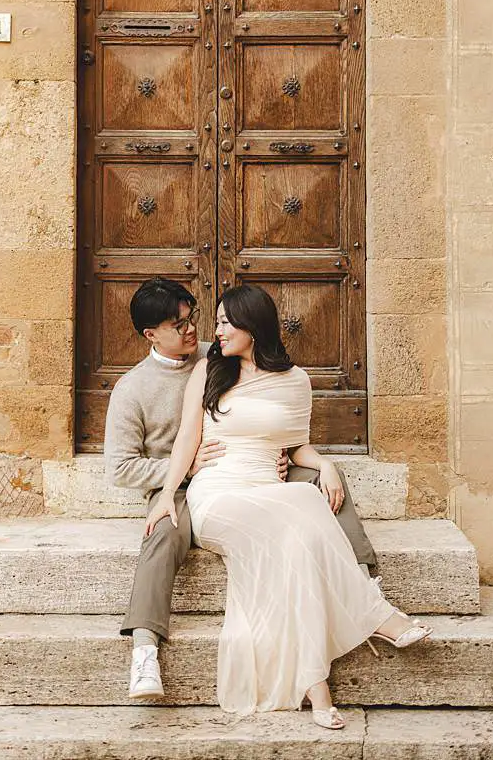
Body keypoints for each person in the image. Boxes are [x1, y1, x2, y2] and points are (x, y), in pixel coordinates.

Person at [144, 284, 430, 727]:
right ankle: (376, 615)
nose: (215, 330)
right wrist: (166, 495)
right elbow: (187, 438)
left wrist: (326, 464)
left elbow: (296, 446)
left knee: (294, 540)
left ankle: (318, 691)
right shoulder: (209, 371)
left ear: (252, 325)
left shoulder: (295, 380)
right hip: (218, 493)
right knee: (299, 505)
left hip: (265, 486)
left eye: (224, 321)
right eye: (216, 321)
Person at [105, 277, 379, 701]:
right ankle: (144, 650)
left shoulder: (220, 354)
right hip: (182, 483)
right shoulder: (131, 389)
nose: (194, 330)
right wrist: (179, 471)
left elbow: (268, 407)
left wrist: (294, 454)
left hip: (254, 469)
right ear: (151, 334)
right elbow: (121, 468)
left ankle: (364, 582)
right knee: (162, 534)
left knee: (325, 483)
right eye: (179, 325)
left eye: (192, 318)